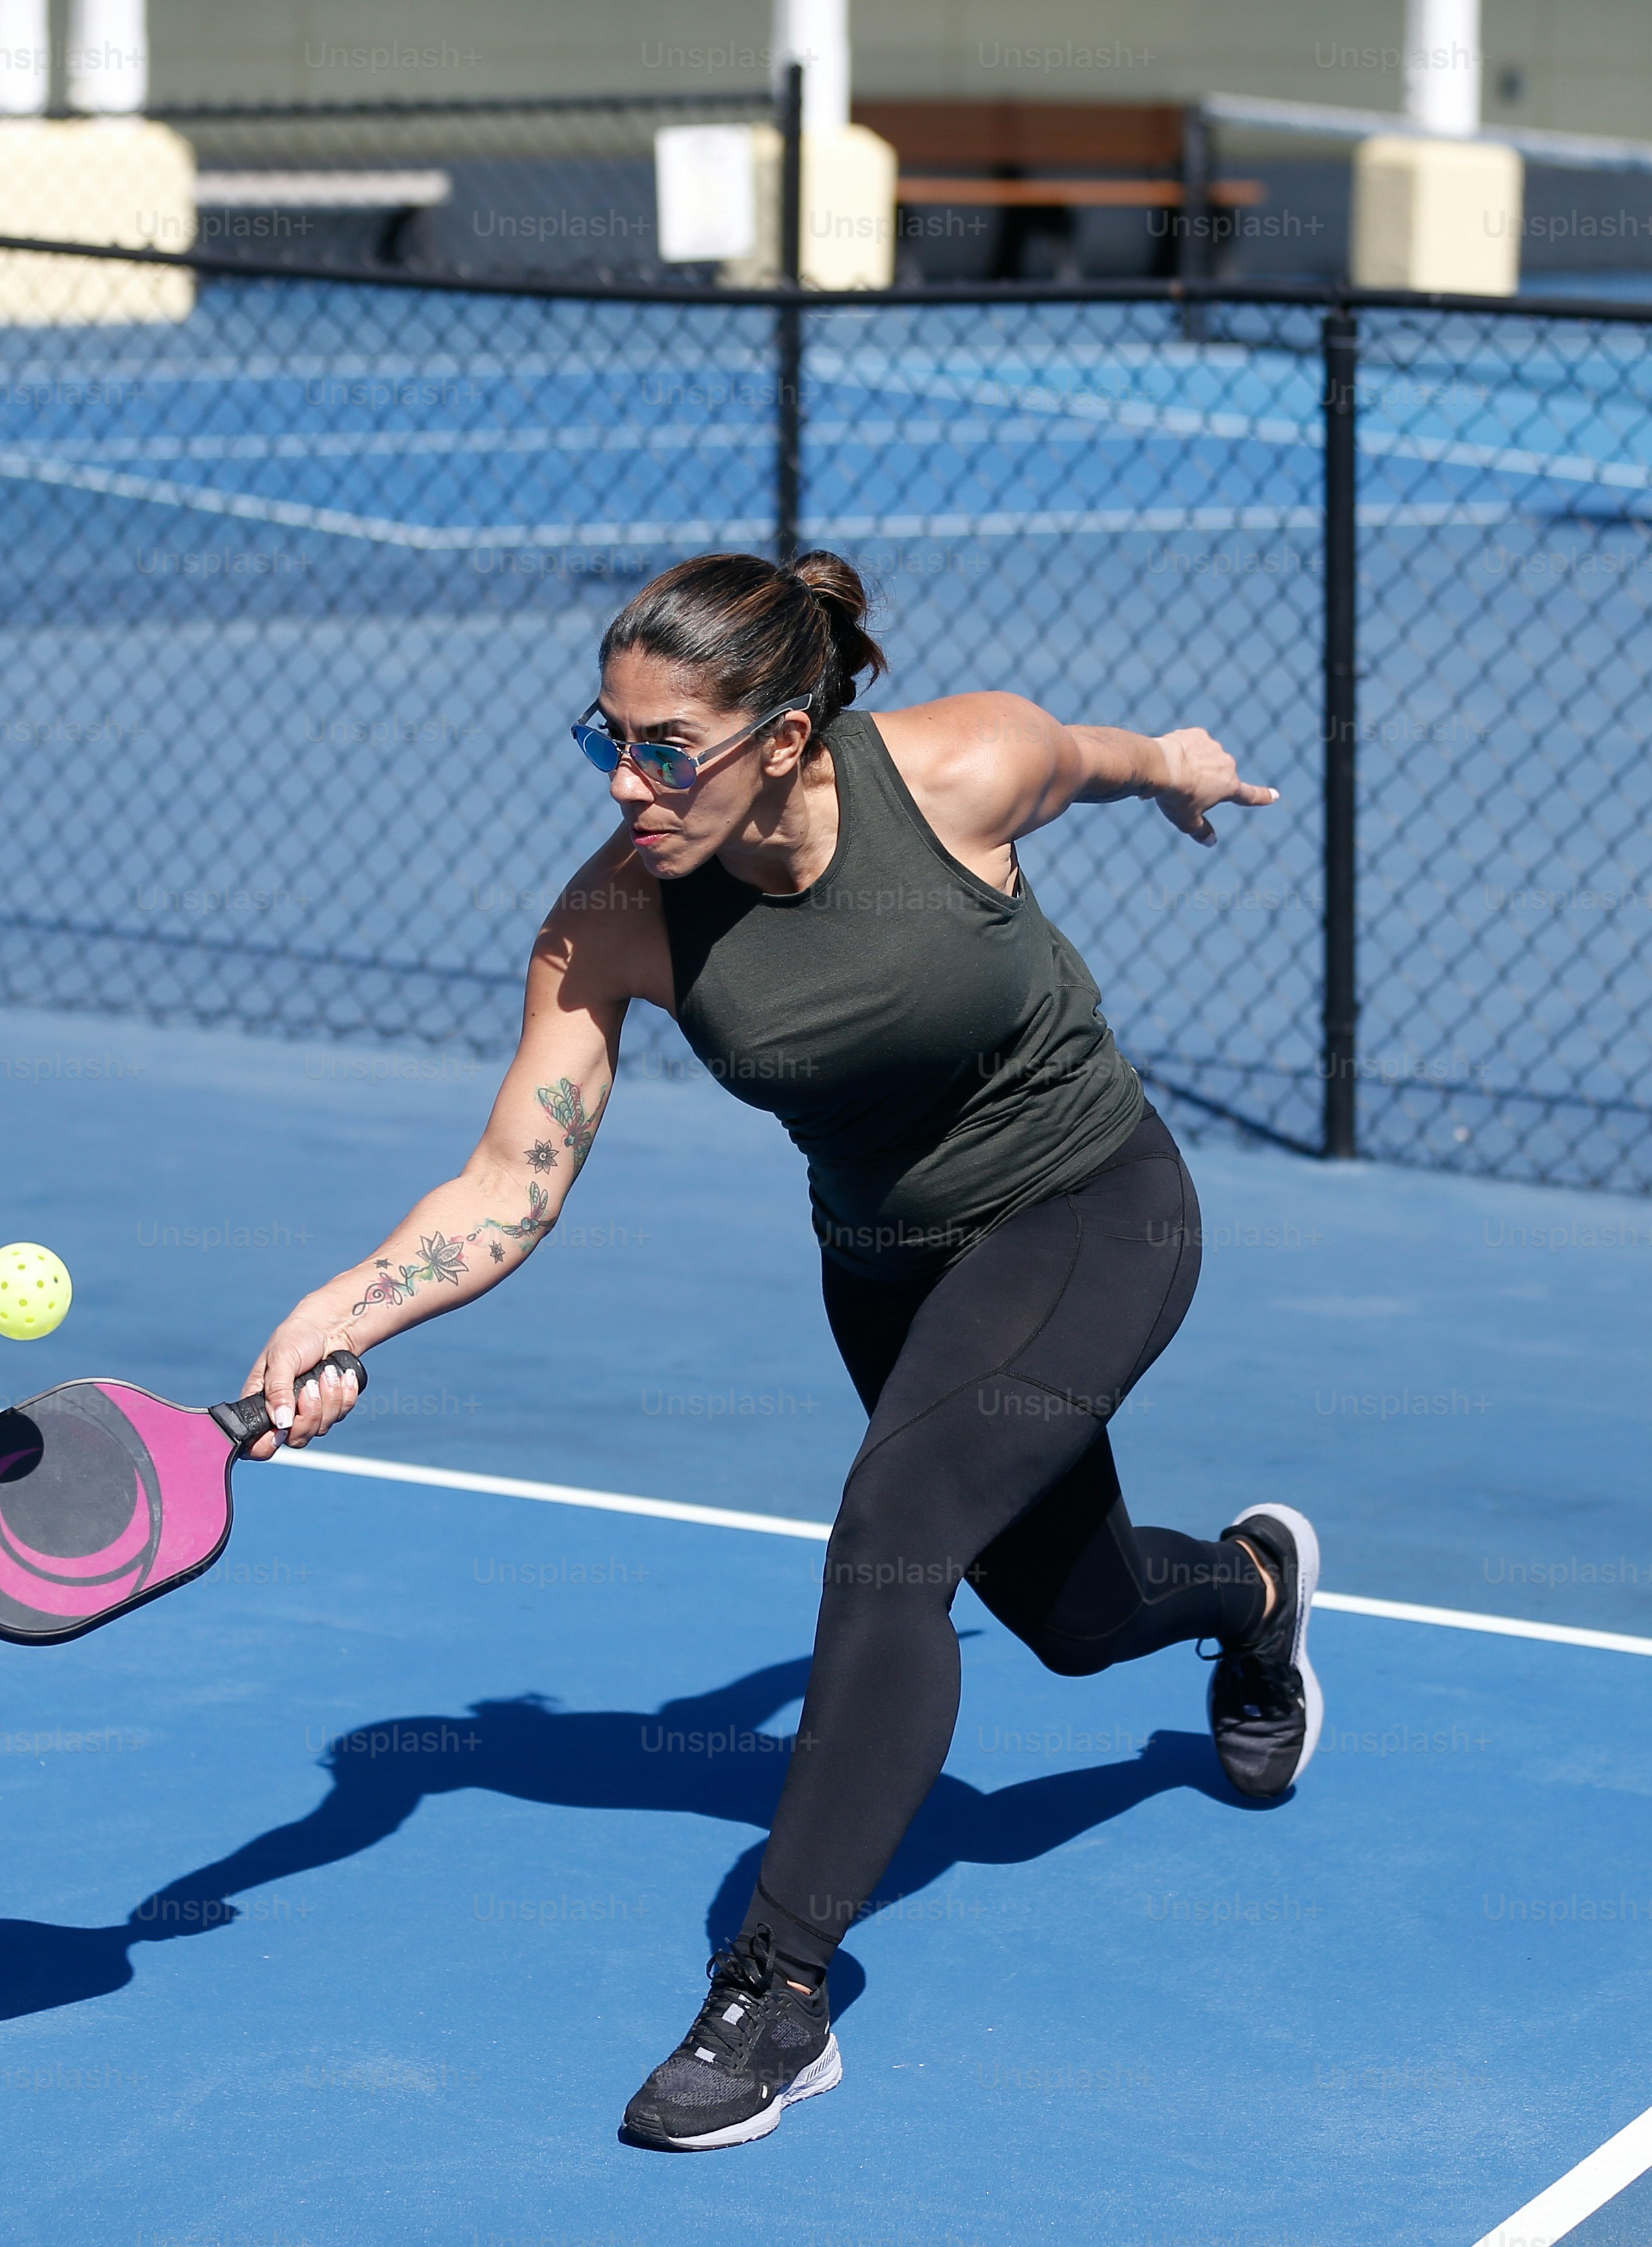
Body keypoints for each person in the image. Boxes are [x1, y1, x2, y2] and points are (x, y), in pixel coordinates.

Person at [243, 549, 1321, 2151]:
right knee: (1078, 1619)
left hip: (1090, 1211)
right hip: (890, 1273)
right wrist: (346, 1306)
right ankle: (1255, 1588)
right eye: (603, 738)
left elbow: (1114, 759)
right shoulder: (616, 917)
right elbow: (507, 1182)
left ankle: (778, 1991)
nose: (626, 781)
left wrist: (1185, 767)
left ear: (794, 737)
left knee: (893, 1547)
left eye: (667, 747)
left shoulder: (964, 768)